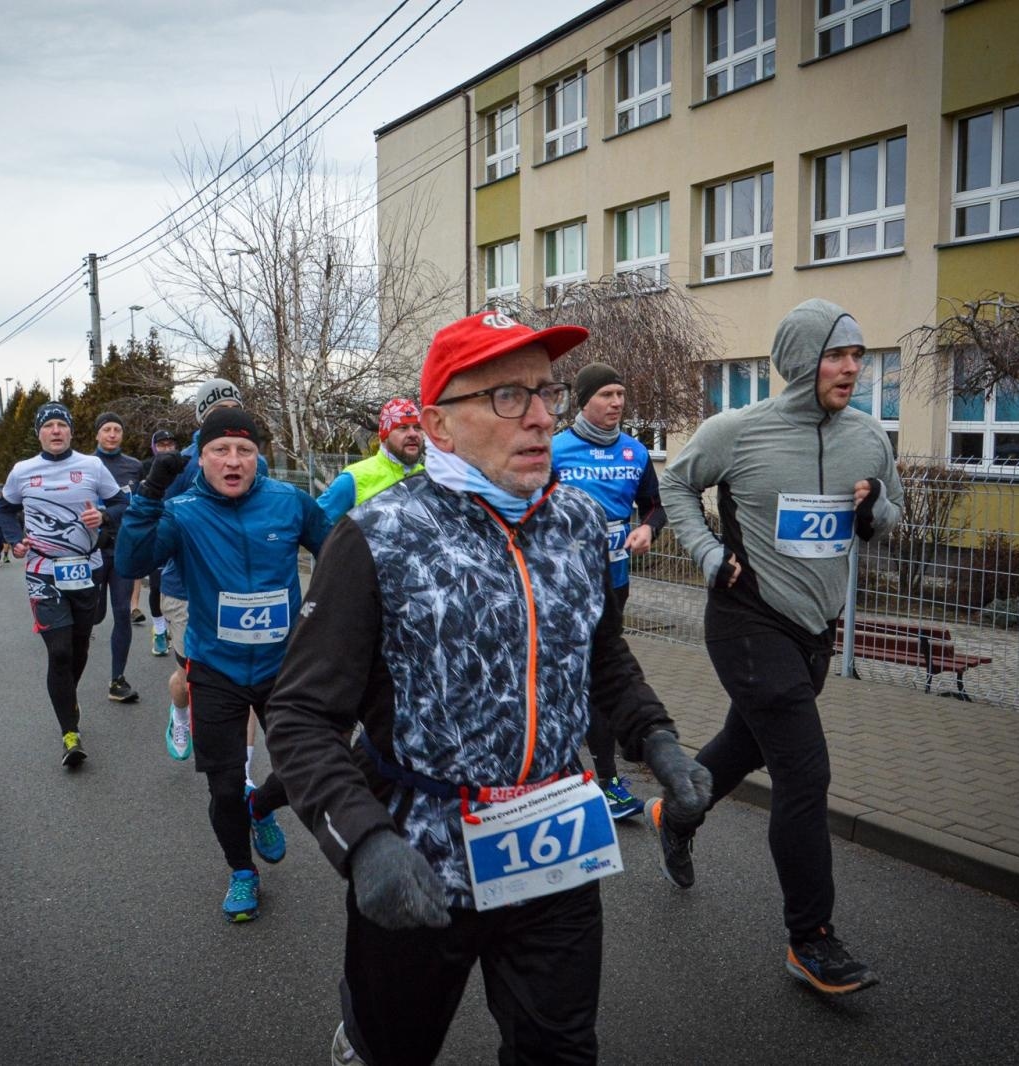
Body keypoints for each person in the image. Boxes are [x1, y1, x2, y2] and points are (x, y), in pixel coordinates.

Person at [264, 310, 712, 1065]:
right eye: (508, 396)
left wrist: (657, 739)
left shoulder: (575, 522)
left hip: (553, 848)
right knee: (393, 1049)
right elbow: (301, 713)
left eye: (545, 392)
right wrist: (364, 842)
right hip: (420, 858)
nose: (540, 417)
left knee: (562, 1051)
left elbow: (600, 656)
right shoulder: (375, 536)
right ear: (438, 425)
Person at [657, 298, 903, 996]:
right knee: (805, 772)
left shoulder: (868, 436)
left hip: (813, 632)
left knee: (745, 745)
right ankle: (811, 939)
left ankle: (678, 808)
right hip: (744, 617)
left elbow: (889, 514)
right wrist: (706, 552)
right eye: (837, 354)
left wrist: (873, 505)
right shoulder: (737, 430)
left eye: (858, 355)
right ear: (800, 361)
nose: (852, 367)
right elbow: (675, 482)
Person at [116, 406, 330, 923]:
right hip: (217, 667)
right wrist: (148, 495)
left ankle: (262, 808)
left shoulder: (289, 502)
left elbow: (340, 552)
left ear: (259, 458)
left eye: (245, 451)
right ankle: (241, 872)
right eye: (220, 450)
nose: (233, 461)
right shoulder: (183, 511)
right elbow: (131, 562)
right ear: (202, 458)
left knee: (311, 766)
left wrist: (325, 615)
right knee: (225, 784)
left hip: (285, 665)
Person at [551, 363, 668, 820]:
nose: (617, 402)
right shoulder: (555, 450)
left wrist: (647, 530)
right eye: (607, 395)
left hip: (613, 583)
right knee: (571, 679)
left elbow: (655, 506)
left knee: (598, 679)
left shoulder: (635, 453)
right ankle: (586, 780)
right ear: (583, 401)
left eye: (621, 393)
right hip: (560, 587)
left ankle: (604, 783)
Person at [0, 402, 128, 768]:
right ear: (39, 433)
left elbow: (123, 504)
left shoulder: (91, 466)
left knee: (78, 648)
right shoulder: (23, 471)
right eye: (48, 426)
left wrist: (102, 515)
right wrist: (15, 538)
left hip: (86, 569)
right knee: (58, 652)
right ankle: (70, 732)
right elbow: (5, 510)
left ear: (71, 432)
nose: (56, 431)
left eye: (61, 425)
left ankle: (66, 697)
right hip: (42, 570)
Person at [156, 380, 263, 764]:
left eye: (234, 408)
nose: (228, 418)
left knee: (243, 680)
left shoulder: (255, 461)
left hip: (235, 590)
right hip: (184, 588)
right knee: (190, 678)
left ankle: (244, 772)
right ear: (202, 419)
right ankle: (180, 712)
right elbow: (158, 525)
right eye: (218, 413)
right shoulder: (180, 465)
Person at [90, 411, 145, 703]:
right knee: (95, 614)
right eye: (107, 429)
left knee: (122, 612)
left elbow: (144, 504)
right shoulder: (85, 465)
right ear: (97, 434)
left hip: (123, 548)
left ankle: (117, 679)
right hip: (92, 551)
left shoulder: (134, 467)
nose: (112, 434)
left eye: (117, 430)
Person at [316, 398, 424, 524]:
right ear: (384, 436)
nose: (413, 434)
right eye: (403, 427)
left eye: (417, 427)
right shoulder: (354, 479)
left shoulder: (428, 479)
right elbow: (315, 527)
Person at [133, 429, 180, 655]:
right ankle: (160, 631)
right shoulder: (145, 466)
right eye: (162, 444)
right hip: (157, 529)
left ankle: (183, 628)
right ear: (154, 447)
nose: (167, 448)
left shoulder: (184, 465)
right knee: (157, 585)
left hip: (181, 527)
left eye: (170, 444)